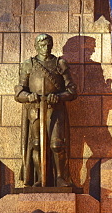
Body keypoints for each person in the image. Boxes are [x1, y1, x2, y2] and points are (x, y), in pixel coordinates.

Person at [15, 33, 78, 187]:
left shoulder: (60, 63)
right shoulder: (28, 64)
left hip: (54, 109)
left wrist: (59, 97)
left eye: (48, 44)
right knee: (36, 144)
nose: (46, 48)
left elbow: (72, 91)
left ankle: (59, 177)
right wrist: (29, 96)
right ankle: (39, 178)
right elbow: (18, 93)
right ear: (36, 46)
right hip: (35, 109)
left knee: (57, 145)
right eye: (42, 45)